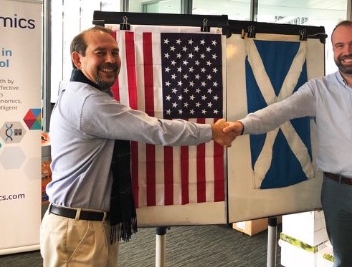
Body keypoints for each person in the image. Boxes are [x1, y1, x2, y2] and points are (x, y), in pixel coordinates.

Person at [223, 20, 352, 267]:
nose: (347, 51)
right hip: (338, 193)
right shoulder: (318, 90)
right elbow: (279, 111)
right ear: (333, 51)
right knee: (343, 261)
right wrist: (242, 126)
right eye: (340, 45)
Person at [40, 26, 235, 267]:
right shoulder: (89, 102)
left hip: (87, 225)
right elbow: (155, 129)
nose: (110, 60)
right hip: (78, 229)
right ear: (77, 59)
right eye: (100, 53)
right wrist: (211, 131)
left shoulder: (79, 92)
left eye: (115, 52)